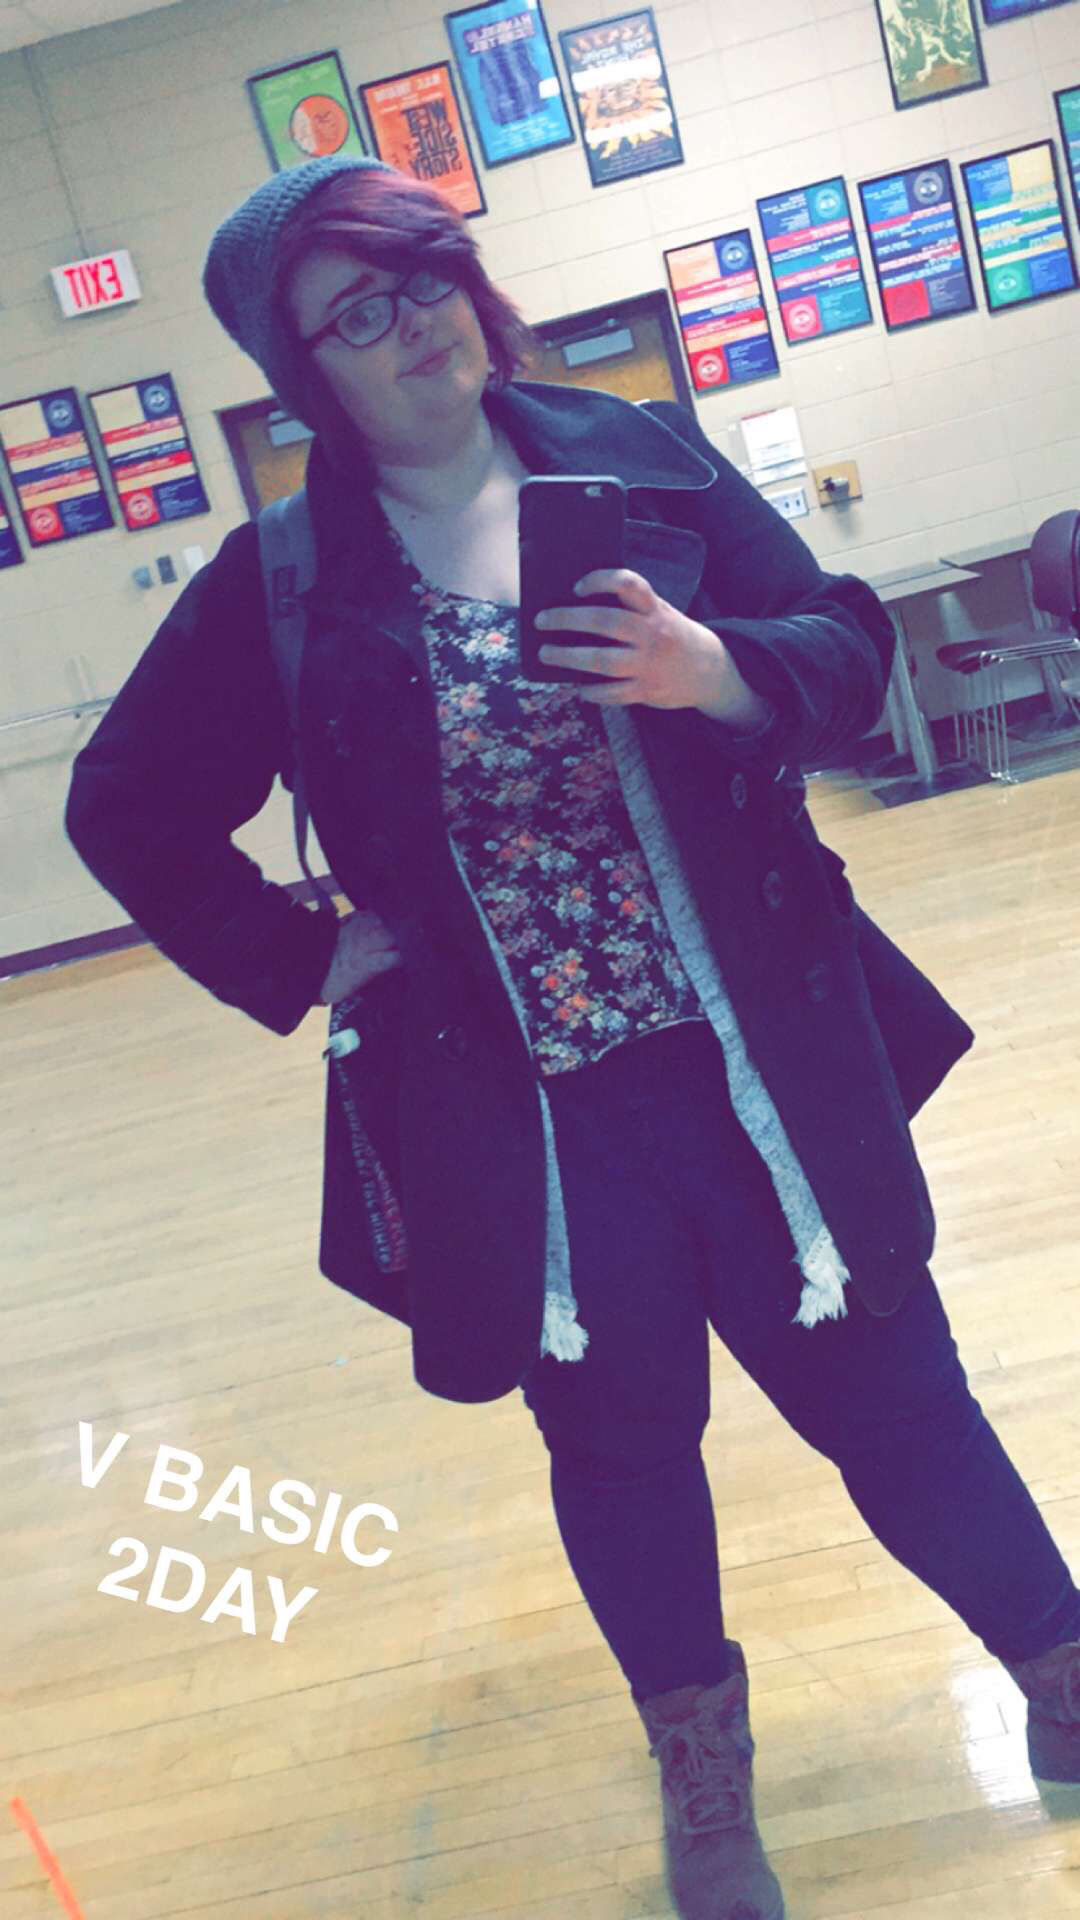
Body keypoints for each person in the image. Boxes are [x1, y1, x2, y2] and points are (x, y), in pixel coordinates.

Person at [65, 155, 1080, 1920]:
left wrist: (715, 668)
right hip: (524, 1112)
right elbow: (125, 806)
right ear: (304, 377)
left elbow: (841, 649)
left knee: (902, 1397)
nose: (417, 323)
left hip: (755, 1066)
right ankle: (706, 1784)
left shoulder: (646, 459)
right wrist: (304, 957)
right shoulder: (287, 581)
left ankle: (1064, 1682)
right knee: (623, 1450)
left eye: (426, 272)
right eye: (357, 314)